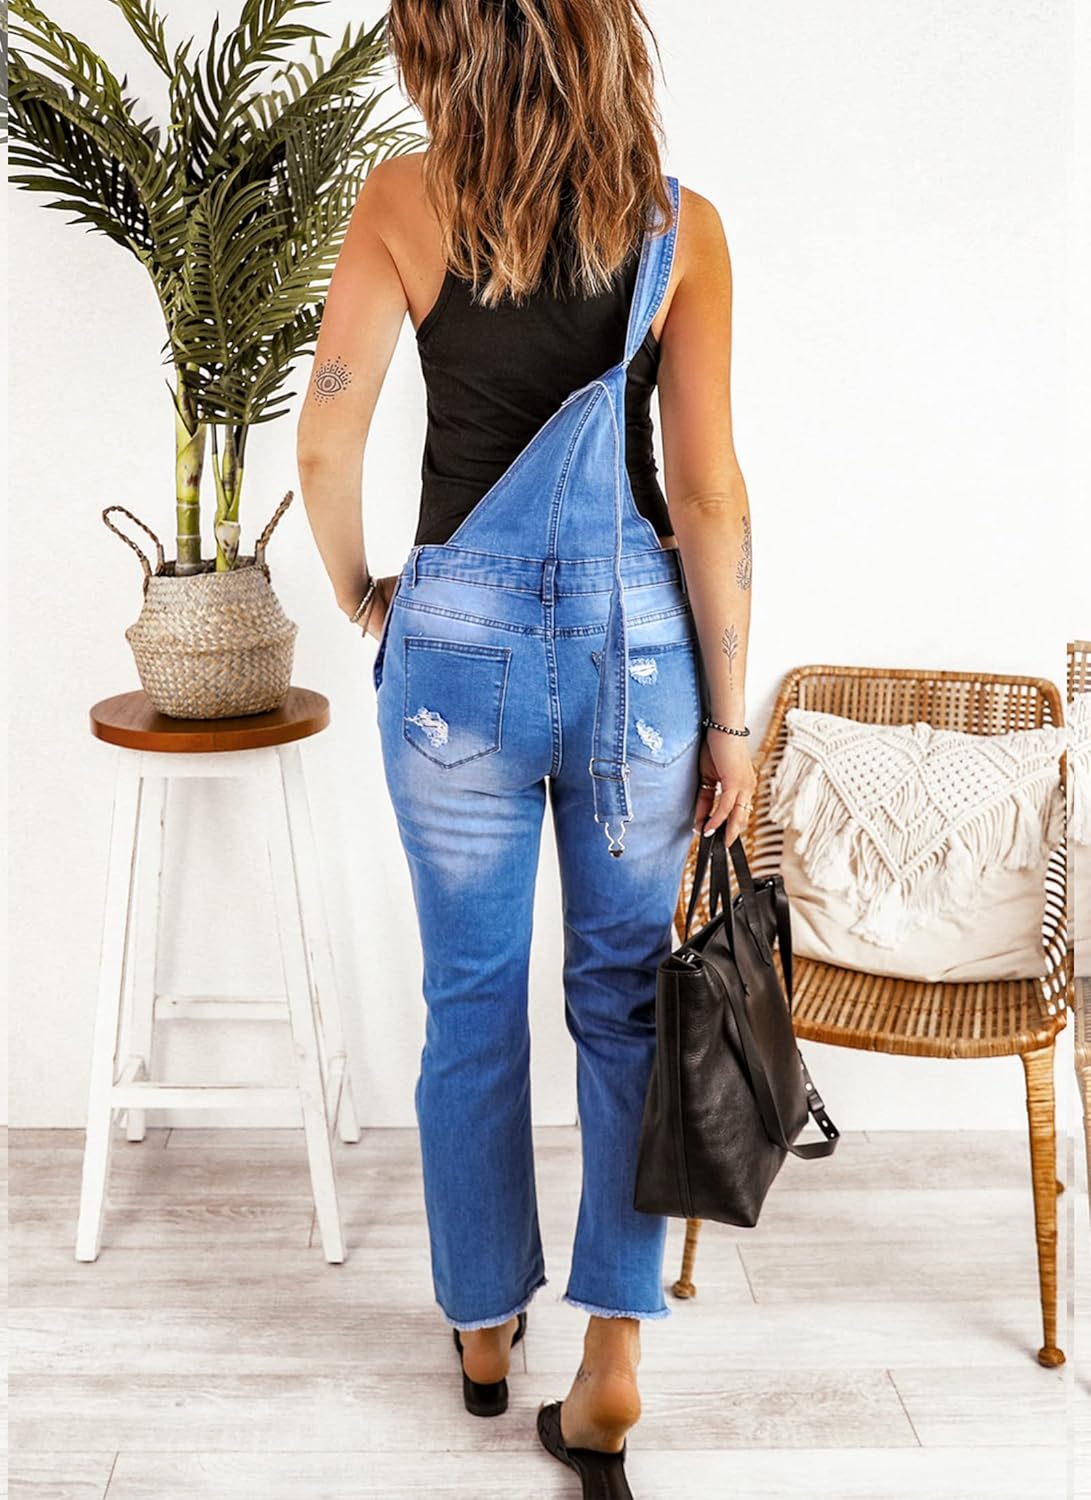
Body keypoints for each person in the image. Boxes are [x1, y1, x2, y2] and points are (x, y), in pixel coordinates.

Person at [296, 2, 756, 1490]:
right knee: (626, 1000)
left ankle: (485, 1326)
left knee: (471, 1000)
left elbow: (325, 441)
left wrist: (364, 591)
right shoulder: (682, 229)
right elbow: (709, 495)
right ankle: (612, 1357)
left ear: (450, 51)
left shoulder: (403, 201)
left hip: (455, 662)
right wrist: (730, 717)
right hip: (641, 664)